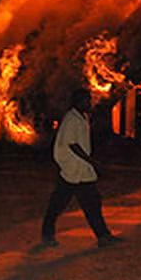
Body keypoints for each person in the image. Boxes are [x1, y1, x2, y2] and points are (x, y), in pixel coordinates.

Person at [36, 88, 121, 250]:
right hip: (71, 170)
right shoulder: (71, 119)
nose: (89, 103)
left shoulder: (82, 118)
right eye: (86, 100)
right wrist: (91, 161)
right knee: (57, 205)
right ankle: (47, 237)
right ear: (77, 101)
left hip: (81, 171)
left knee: (92, 204)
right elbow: (72, 144)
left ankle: (103, 236)